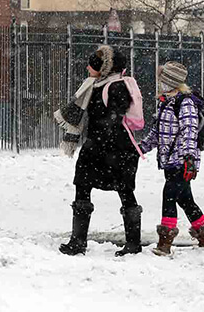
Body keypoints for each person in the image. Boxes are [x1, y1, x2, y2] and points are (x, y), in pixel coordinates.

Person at [54, 45, 142, 257]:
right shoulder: (94, 85)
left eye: (92, 65)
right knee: (82, 186)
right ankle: (78, 241)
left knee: (125, 191)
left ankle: (133, 243)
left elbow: (114, 118)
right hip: (98, 147)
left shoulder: (116, 86)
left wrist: (102, 141)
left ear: (104, 68)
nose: (87, 67)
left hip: (116, 149)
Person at [139, 61, 204, 256]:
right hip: (169, 160)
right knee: (185, 199)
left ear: (170, 81)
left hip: (183, 161)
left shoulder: (186, 102)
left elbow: (189, 131)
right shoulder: (165, 102)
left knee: (169, 195)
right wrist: (140, 149)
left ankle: (165, 242)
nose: (160, 83)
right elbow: (157, 134)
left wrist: (189, 158)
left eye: (163, 79)